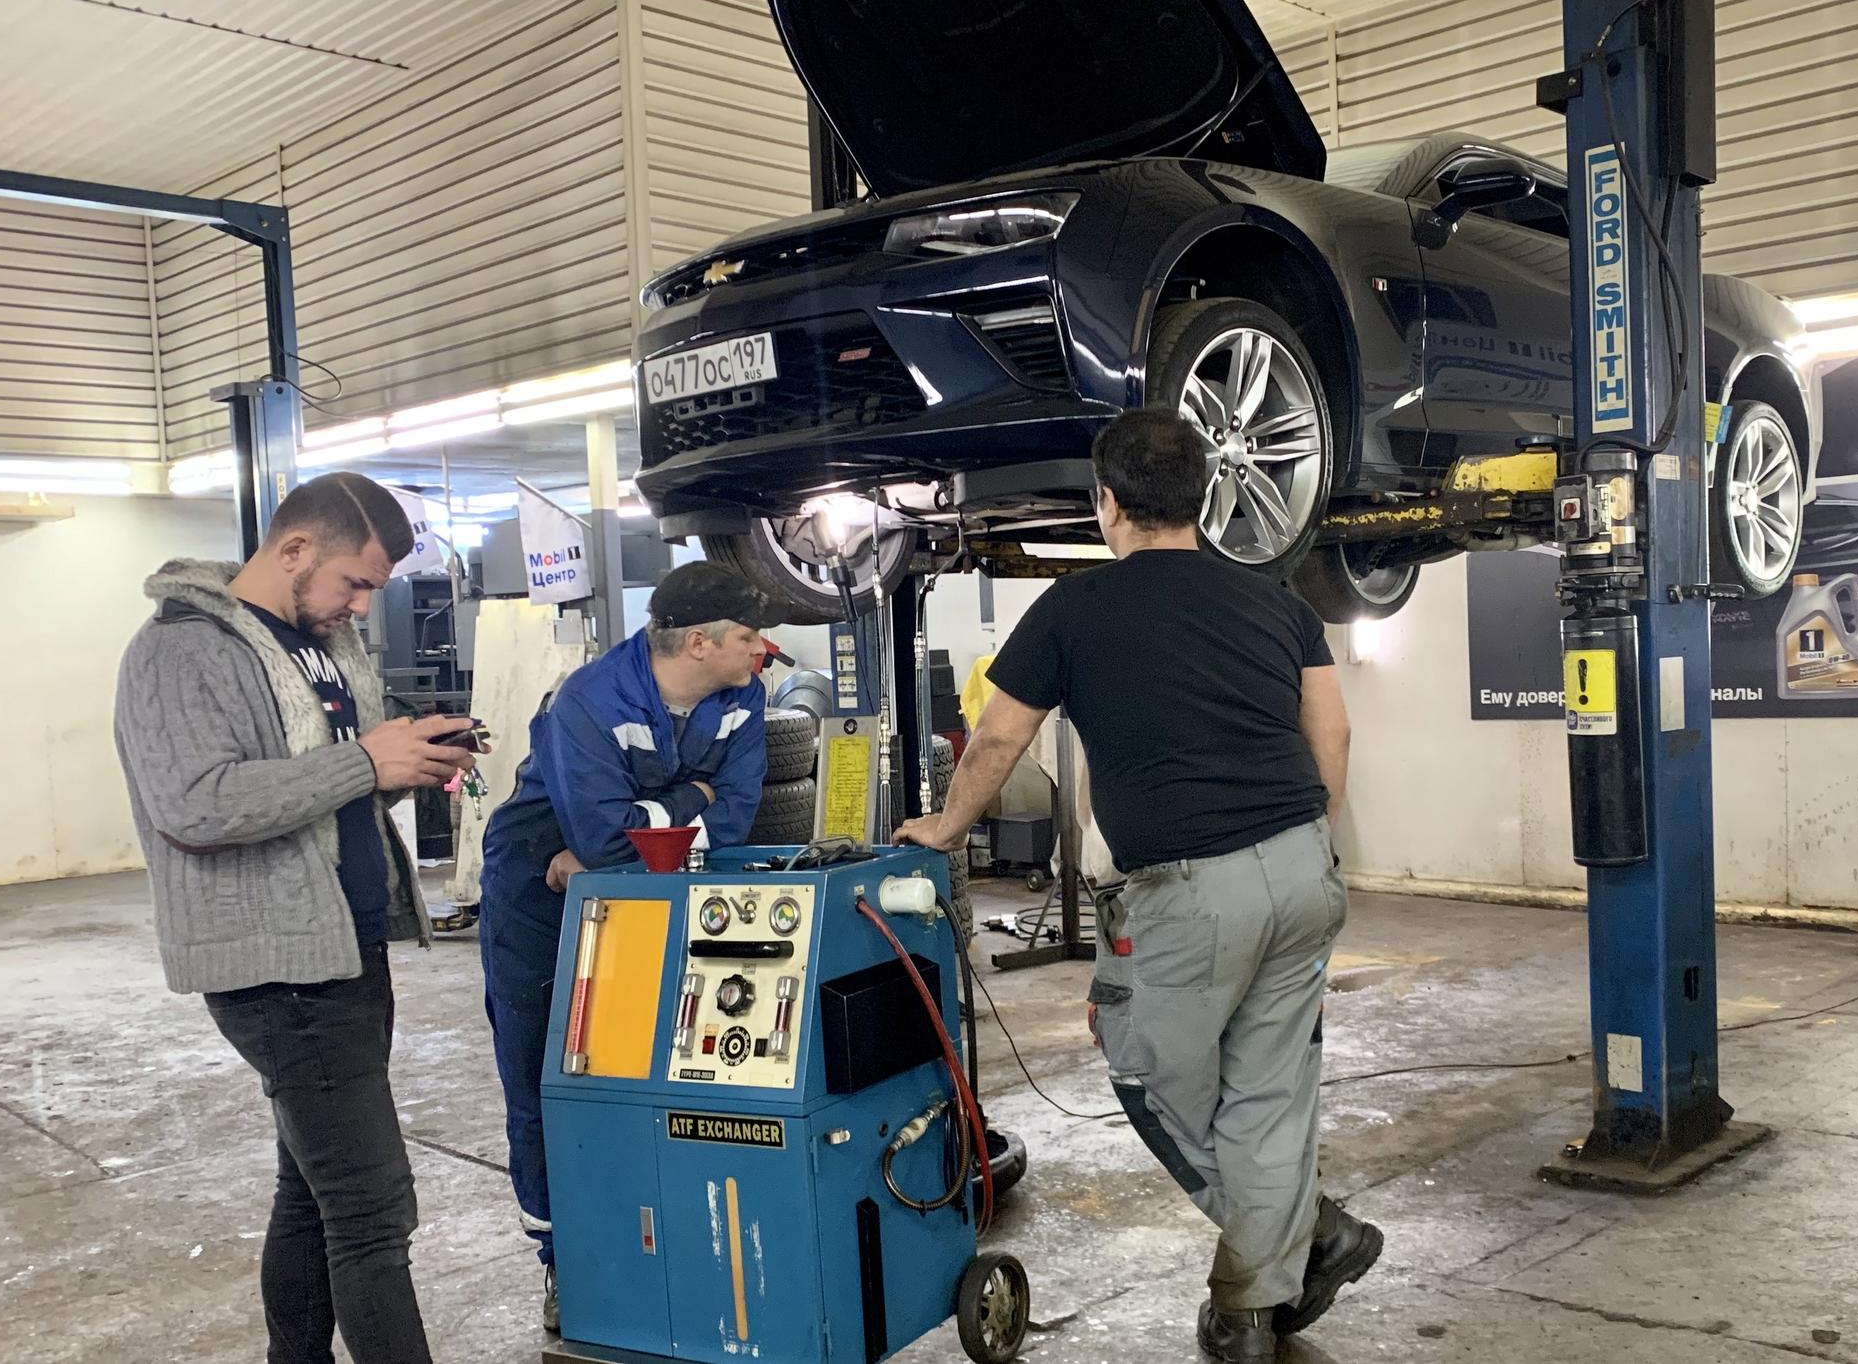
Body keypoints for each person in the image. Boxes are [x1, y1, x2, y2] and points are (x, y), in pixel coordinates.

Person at [896, 406, 1380, 1364]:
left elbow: (999, 737)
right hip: (1304, 872)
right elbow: (1332, 731)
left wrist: (944, 828)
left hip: (1192, 891)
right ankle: (1248, 1313)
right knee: (1270, 1094)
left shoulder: (1072, 609)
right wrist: (1307, 839)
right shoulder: (1278, 602)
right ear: (1203, 497)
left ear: (1107, 503)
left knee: (1150, 1078)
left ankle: (1313, 1234)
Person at [113, 472, 482, 1364]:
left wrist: (413, 755)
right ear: (295, 549)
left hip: (344, 947)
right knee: (371, 1208)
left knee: (314, 1193)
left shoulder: (322, 644)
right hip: (276, 966)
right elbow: (195, 804)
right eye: (354, 583)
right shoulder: (180, 649)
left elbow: (325, 779)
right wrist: (366, 764)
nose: (360, 606)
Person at [478, 561, 780, 1331]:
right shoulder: (590, 700)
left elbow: (735, 815)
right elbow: (603, 841)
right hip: (537, 895)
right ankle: (564, 1262)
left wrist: (647, 826)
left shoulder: (744, 694)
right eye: (749, 636)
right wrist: (689, 800)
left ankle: (668, 1250)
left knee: (664, 1068)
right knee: (545, 1080)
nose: (762, 650)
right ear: (701, 643)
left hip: (658, 890)